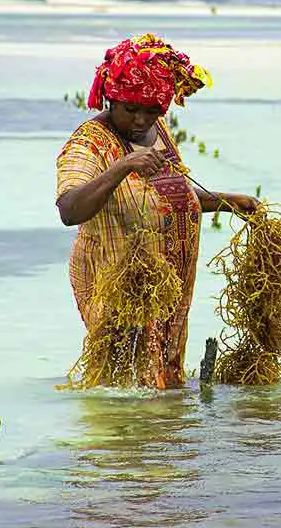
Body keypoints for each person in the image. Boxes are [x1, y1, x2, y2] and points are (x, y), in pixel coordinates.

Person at [55, 33, 258, 388]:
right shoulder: (88, 144)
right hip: (120, 283)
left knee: (161, 384)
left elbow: (167, 195)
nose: (141, 120)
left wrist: (227, 201)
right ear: (111, 98)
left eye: (152, 110)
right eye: (131, 109)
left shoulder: (158, 132)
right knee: (122, 384)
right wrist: (122, 166)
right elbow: (70, 210)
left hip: (168, 285)